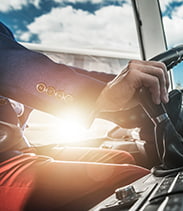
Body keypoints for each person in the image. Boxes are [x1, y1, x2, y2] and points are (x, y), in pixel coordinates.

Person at [0, 21, 169, 210]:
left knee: (121, 158)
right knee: (134, 181)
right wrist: (98, 95)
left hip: (20, 149)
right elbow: (11, 66)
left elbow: (22, 63)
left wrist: (118, 87)